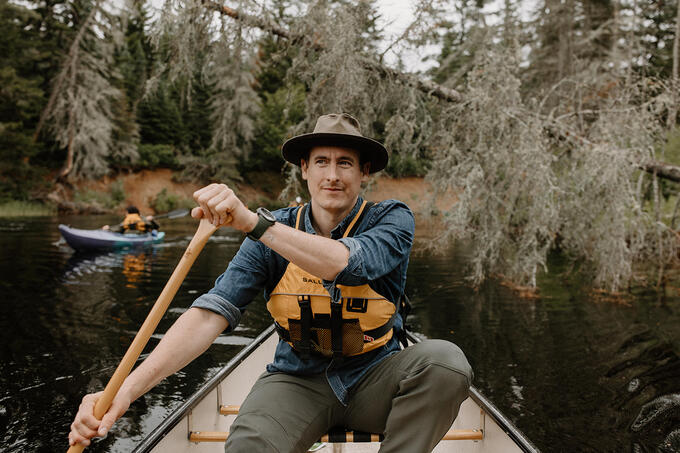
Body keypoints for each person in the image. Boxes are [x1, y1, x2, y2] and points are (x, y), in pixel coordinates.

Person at [68, 113, 473, 452]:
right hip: (296, 379)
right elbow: (211, 312)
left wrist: (250, 222)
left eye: (345, 163)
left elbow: (346, 263)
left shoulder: (391, 219)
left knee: (445, 363)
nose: (332, 175)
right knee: (248, 447)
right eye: (321, 162)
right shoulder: (272, 232)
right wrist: (123, 392)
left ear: (364, 171)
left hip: (376, 377)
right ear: (304, 169)